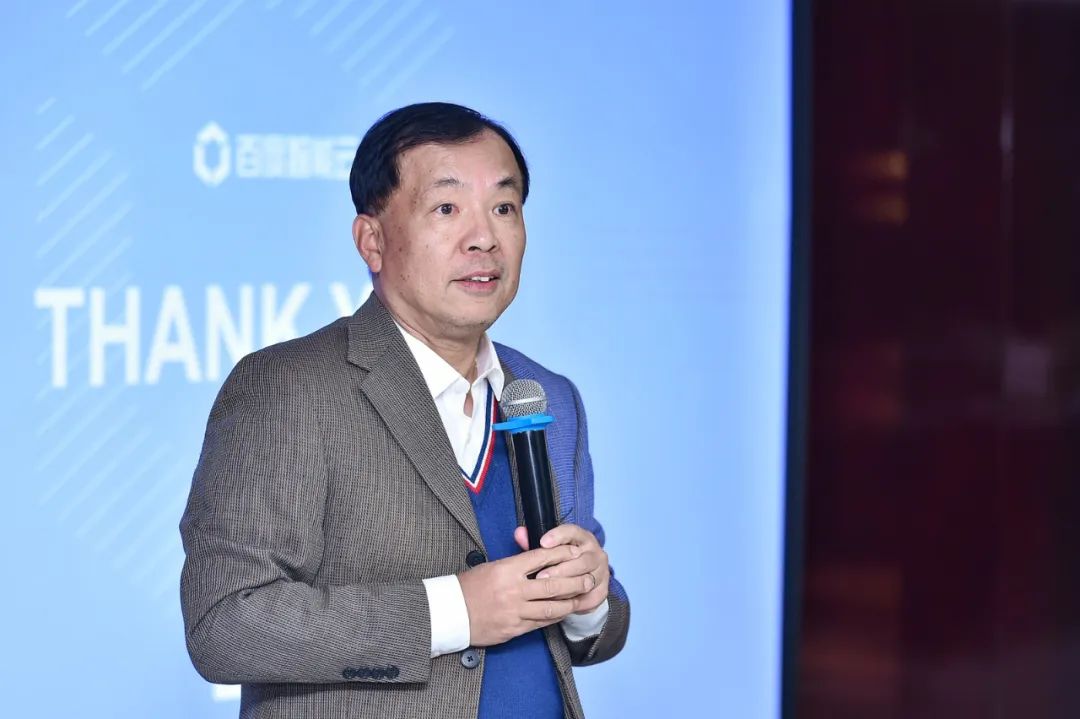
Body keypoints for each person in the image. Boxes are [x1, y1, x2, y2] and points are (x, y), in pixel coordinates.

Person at [179, 102, 630, 718]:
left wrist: (590, 600)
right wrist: (455, 611)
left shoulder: (547, 394)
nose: (484, 237)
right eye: (446, 209)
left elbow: (596, 628)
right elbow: (226, 623)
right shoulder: (288, 387)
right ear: (372, 240)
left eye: (504, 208)